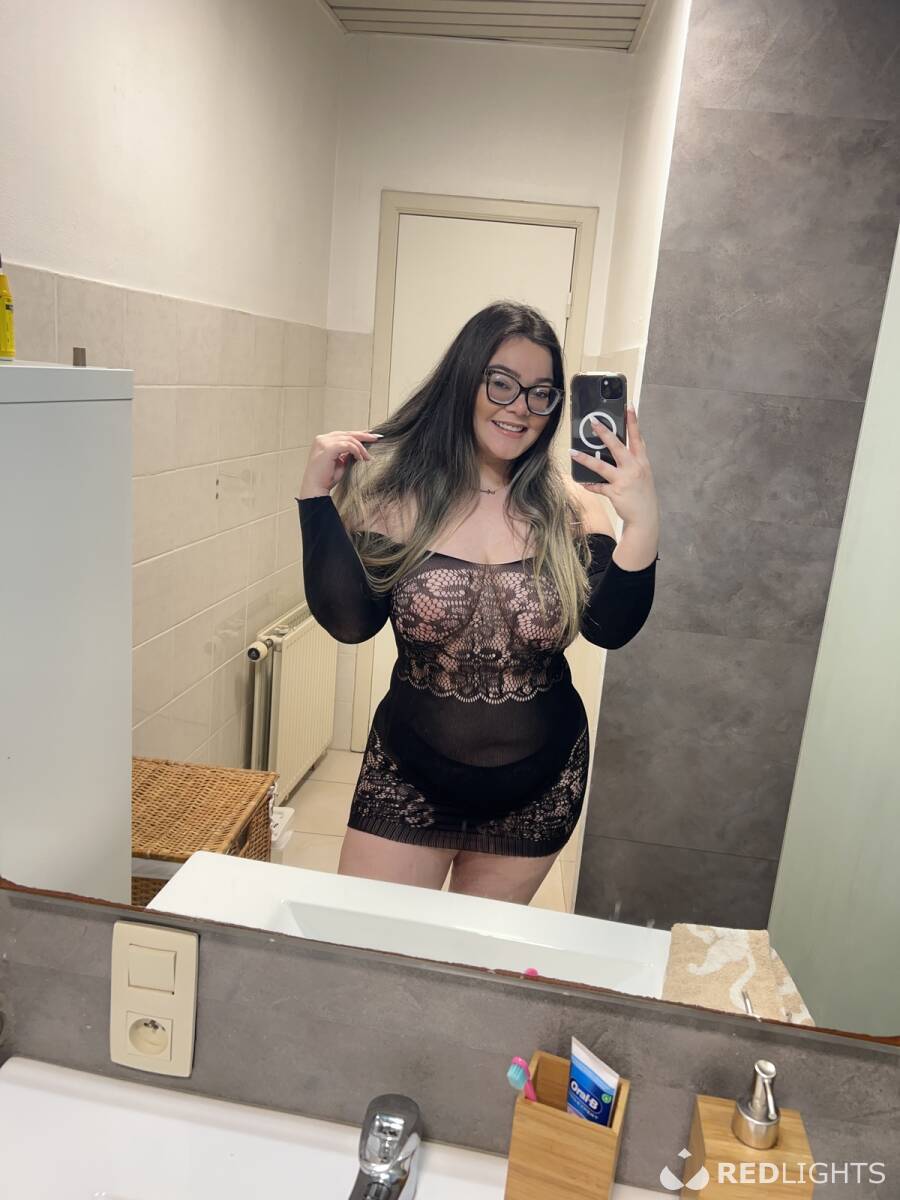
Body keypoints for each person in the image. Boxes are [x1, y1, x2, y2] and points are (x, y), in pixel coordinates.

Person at [296, 301, 659, 904]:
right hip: (407, 782)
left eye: (540, 393)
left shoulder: (573, 507)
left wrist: (643, 523)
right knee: (372, 945)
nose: (520, 407)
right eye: (501, 383)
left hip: (539, 789)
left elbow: (610, 628)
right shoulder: (391, 500)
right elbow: (350, 623)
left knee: (473, 960)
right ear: (465, 380)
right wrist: (314, 499)